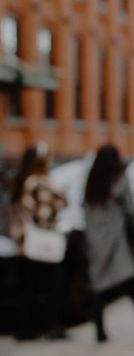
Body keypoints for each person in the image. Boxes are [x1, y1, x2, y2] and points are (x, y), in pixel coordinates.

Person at [83, 144, 134, 343]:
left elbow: (85, 212)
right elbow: (129, 209)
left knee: (99, 286)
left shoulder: (92, 182)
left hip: (96, 241)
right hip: (117, 240)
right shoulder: (118, 179)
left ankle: (100, 332)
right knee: (132, 284)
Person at [9, 143, 68, 341]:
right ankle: (52, 327)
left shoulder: (22, 181)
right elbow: (58, 204)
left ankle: (25, 329)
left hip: (24, 243)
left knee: (28, 288)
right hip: (43, 242)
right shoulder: (40, 183)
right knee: (51, 287)